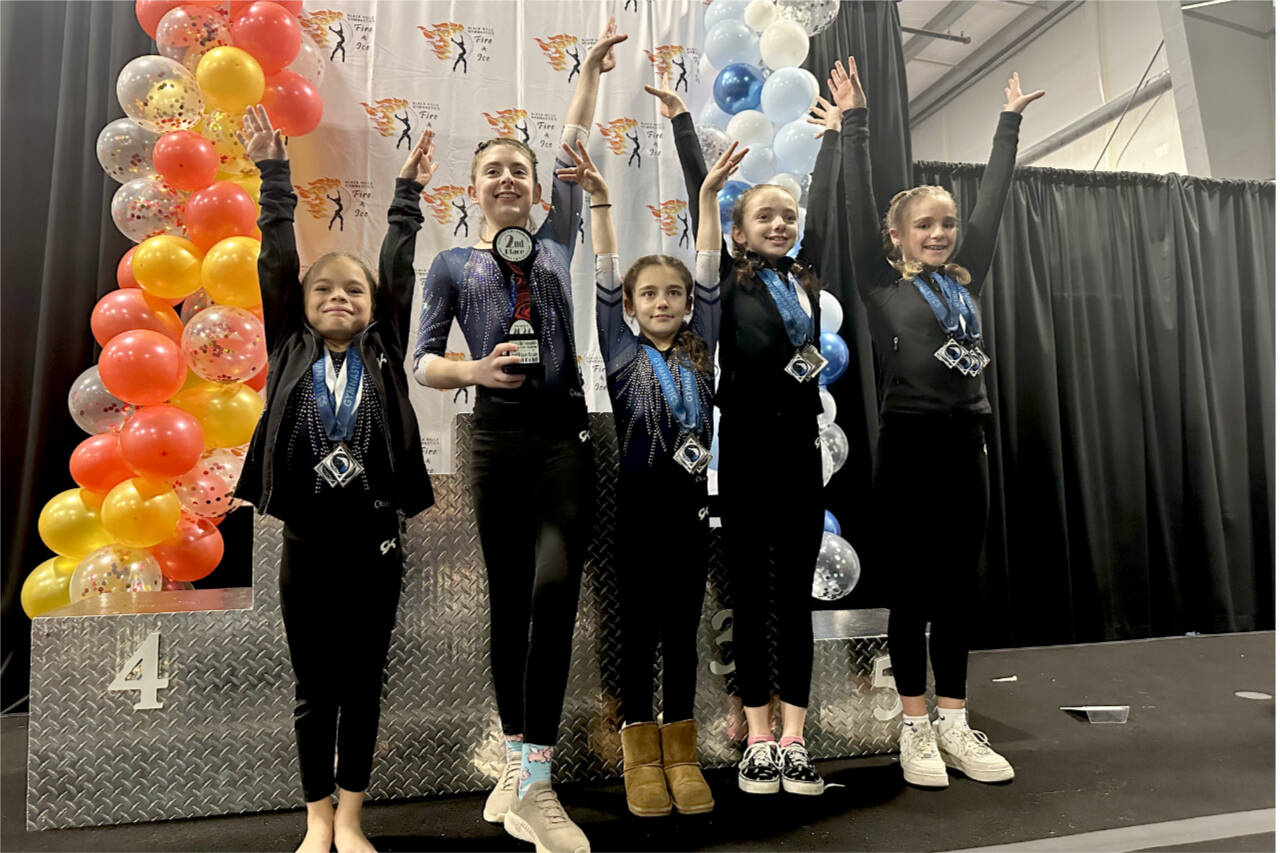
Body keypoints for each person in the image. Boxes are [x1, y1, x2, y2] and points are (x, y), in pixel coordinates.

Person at [412, 17, 627, 853]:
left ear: (537, 192)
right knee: (508, 600)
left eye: (519, 170)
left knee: (553, 590)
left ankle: (535, 780)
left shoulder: (555, 241)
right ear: (475, 189)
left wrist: (590, 76)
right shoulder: (454, 266)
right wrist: (471, 372)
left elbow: (572, 142)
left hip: (562, 437)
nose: (507, 177)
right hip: (494, 441)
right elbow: (423, 361)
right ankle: (518, 762)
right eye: (493, 169)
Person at [827, 56, 1044, 787]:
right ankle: (914, 728)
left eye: (947, 222)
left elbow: (995, 201)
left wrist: (1008, 125)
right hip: (910, 447)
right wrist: (855, 125)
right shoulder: (881, 282)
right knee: (914, 589)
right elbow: (858, 205)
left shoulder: (965, 276)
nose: (944, 232)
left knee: (959, 589)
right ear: (898, 236)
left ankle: (955, 722)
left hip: (967, 443)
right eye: (926, 224)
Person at [233, 105, 436, 853]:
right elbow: (277, 261)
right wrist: (273, 177)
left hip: (375, 546)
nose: (340, 298)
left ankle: (352, 817)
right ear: (305, 308)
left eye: (353, 290)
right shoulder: (289, 343)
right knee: (316, 688)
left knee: (363, 683)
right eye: (325, 293)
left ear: (374, 306)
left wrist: (406, 198)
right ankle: (316, 819)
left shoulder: (384, 348)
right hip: (308, 544)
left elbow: (400, 268)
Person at [650, 73, 844, 794]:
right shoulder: (723, 286)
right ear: (737, 229)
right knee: (753, 600)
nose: (780, 224)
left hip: (801, 457)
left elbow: (822, 208)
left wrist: (839, 137)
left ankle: (795, 736)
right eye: (765, 215)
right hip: (748, 459)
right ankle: (757, 733)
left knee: (794, 599)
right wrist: (679, 128)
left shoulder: (807, 286)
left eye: (787, 216)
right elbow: (710, 188)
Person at [558, 125, 743, 816]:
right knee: (636, 638)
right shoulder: (618, 351)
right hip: (633, 516)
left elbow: (707, 262)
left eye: (674, 293)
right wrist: (601, 205)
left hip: (691, 519)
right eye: (650, 295)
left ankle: (682, 751)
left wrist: (708, 197)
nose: (664, 301)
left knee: (682, 634)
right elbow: (604, 270)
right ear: (632, 308)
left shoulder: (702, 350)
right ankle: (640, 753)